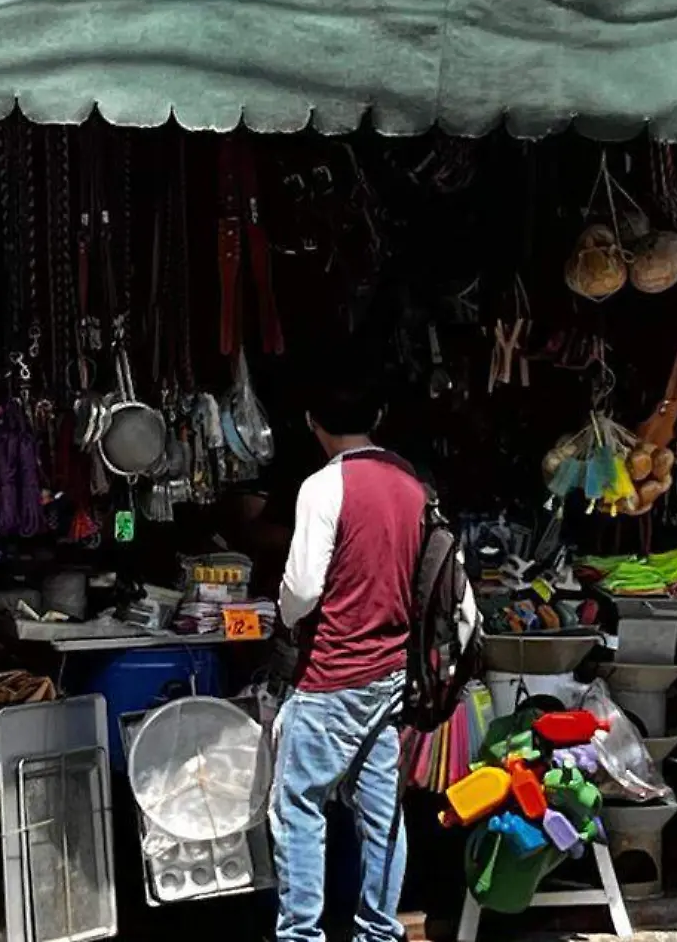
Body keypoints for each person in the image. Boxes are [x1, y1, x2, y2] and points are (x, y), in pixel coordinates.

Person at [271, 375, 424, 942]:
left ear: (313, 422)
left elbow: (304, 589)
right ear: (379, 413)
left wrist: (283, 615)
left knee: (299, 807)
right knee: (382, 814)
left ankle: (302, 935)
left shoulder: (322, 486)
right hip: (391, 672)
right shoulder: (413, 484)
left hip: (332, 673)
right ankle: (379, 931)